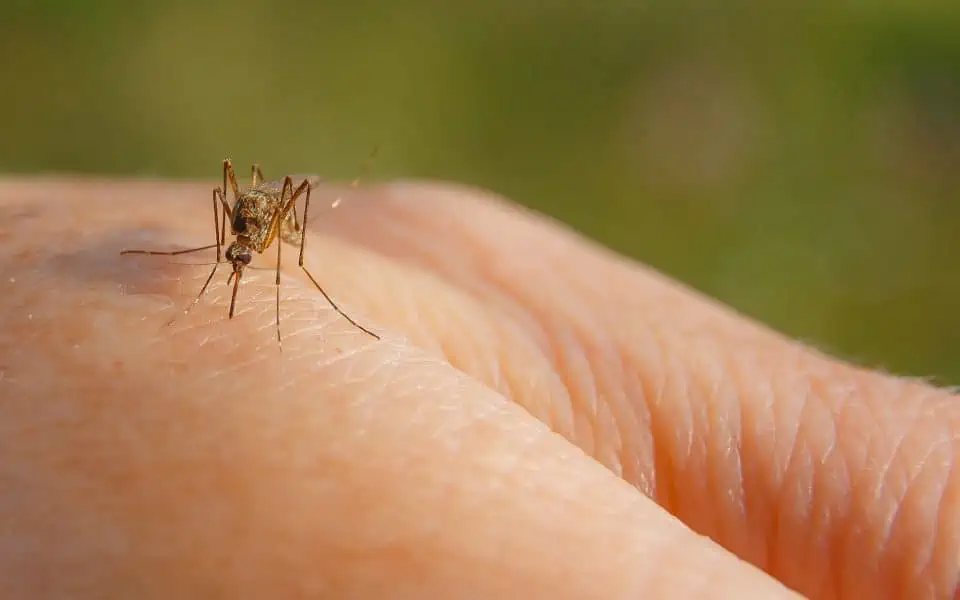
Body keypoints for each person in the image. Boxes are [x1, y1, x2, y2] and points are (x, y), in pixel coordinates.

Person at [0, 176, 956, 599]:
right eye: (241, 250)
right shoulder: (235, 227)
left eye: (243, 250)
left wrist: (295, 272)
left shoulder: (274, 229)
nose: (244, 254)